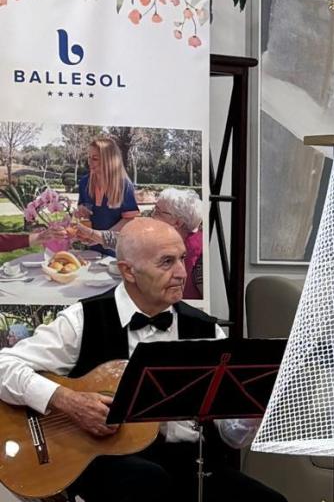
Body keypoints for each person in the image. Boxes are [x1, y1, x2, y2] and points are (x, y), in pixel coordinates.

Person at [0, 218, 284, 502]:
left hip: (191, 465)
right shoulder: (83, 320)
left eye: (183, 259)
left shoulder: (207, 330)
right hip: (108, 461)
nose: (182, 273)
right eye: (166, 262)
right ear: (128, 271)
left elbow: (232, 437)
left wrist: (253, 409)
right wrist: (66, 400)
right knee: (148, 483)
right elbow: (4, 367)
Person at [73, 188, 204, 299]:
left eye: (158, 212)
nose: (152, 215)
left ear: (178, 223)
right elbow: (127, 240)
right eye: (154, 210)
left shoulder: (201, 258)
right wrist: (90, 234)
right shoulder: (162, 238)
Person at [76, 136, 139, 256]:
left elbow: (129, 219)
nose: (89, 162)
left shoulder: (124, 185)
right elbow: (83, 208)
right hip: (91, 250)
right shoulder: (84, 182)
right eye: (89, 157)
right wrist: (81, 211)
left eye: (95, 158)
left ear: (109, 160)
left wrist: (102, 237)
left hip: (116, 250)